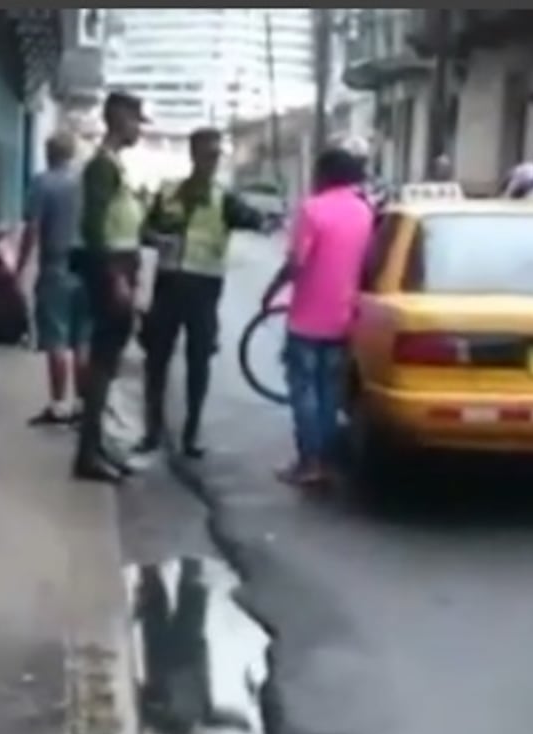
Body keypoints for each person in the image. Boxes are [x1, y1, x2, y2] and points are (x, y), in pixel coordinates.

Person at [137, 127, 265, 459]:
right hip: (167, 288)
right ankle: (152, 431)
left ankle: (191, 434)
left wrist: (263, 214)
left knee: (199, 364)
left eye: (216, 155)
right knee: (156, 362)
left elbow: (257, 221)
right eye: (206, 154)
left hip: (203, 293)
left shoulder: (225, 199)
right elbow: (144, 229)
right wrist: (157, 237)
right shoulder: (167, 193)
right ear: (193, 154)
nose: (211, 161)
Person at [262, 146, 374, 487]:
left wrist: (271, 291)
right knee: (329, 393)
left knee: (304, 392)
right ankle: (324, 461)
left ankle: (308, 462)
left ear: (324, 174)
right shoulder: (364, 211)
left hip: (307, 319)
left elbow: (296, 264)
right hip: (344, 319)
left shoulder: (312, 210)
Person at [73, 90, 148, 483]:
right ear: (118, 119)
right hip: (111, 269)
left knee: (110, 360)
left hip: (121, 265)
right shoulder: (102, 167)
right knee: (103, 362)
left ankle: (98, 445)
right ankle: (88, 453)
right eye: (135, 120)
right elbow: (93, 226)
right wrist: (115, 278)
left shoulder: (115, 164)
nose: (138, 128)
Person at [17, 131, 88, 426]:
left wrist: (21, 265)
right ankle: (84, 404)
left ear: (48, 152)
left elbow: (32, 227)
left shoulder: (42, 183)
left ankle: (59, 405)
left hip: (56, 265)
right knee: (82, 339)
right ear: (71, 153)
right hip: (85, 268)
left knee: (56, 338)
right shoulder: (83, 185)